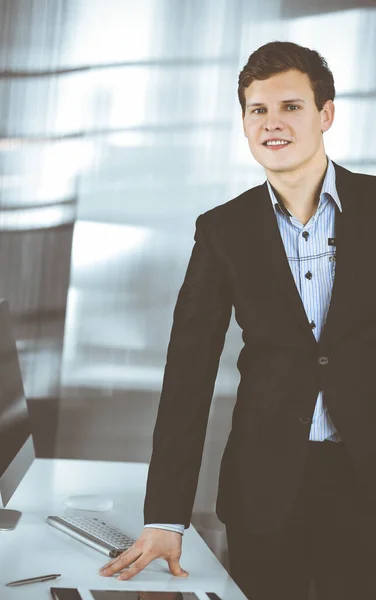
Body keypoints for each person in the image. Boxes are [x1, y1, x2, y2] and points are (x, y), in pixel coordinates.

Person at [99, 41, 376, 599]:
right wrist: (166, 516)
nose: (272, 123)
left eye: (290, 107)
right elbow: (187, 375)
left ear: (326, 114)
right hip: (264, 493)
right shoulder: (223, 230)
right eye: (258, 110)